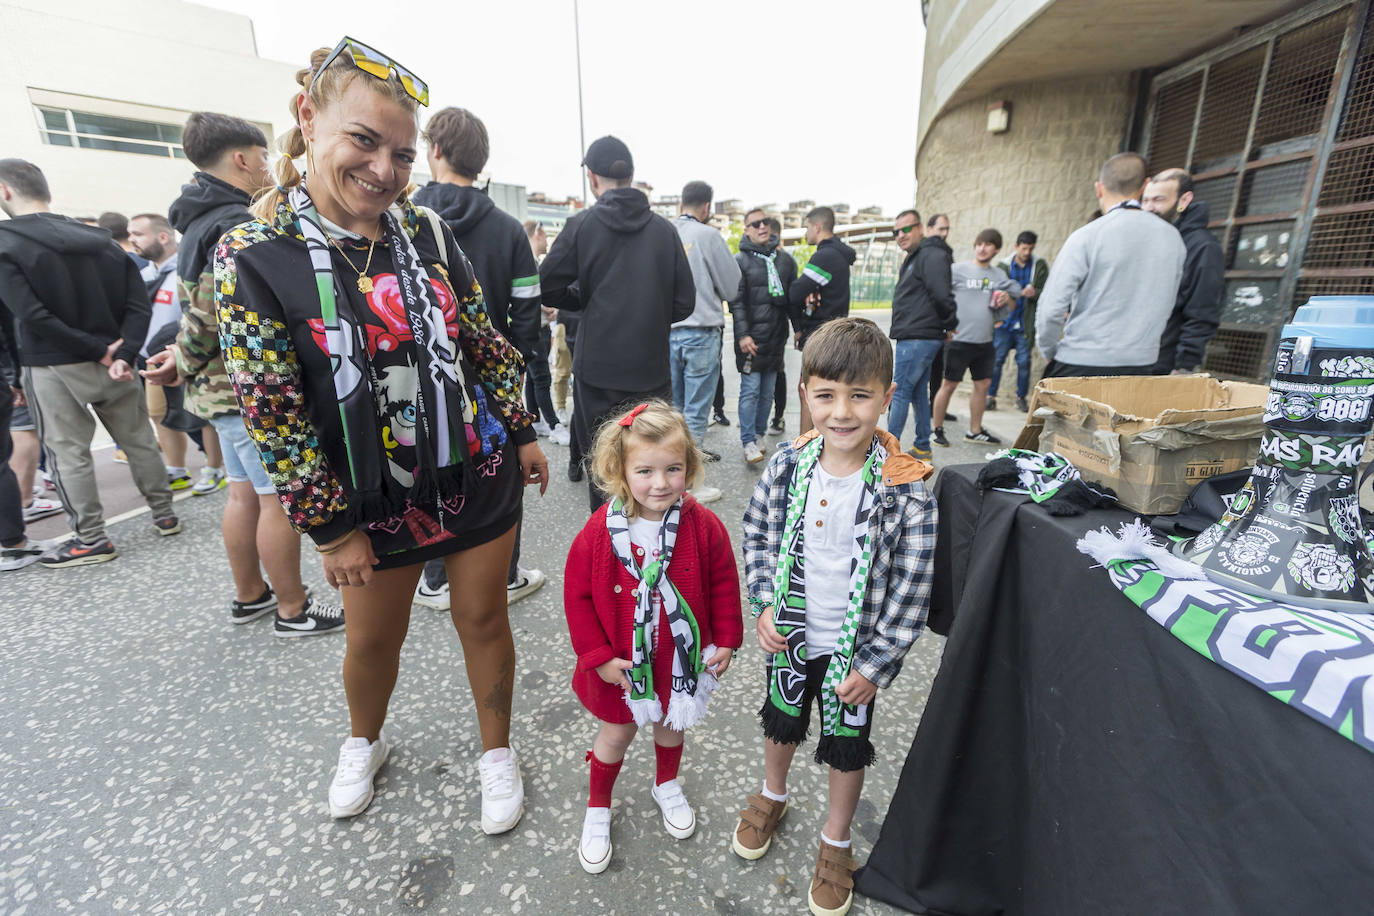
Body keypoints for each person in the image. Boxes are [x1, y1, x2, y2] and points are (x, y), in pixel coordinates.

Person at [214, 40, 548, 826]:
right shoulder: (255, 254)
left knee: (483, 618)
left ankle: (495, 752)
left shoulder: (426, 230)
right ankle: (365, 740)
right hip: (366, 498)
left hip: (474, 466)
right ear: (308, 120)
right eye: (363, 141)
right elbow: (273, 409)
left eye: (401, 153)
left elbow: (481, 339)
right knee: (371, 644)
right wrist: (330, 531)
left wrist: (523, 427)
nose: (384, 170)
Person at [736, 317, 935, 916]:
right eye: (825, 395)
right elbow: (759, 534)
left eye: (859, 395)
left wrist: (878, 663)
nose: (842, 412)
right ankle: (774, 794)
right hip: (794, 639)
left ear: (886, 398)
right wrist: (766, 601)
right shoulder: (789, 464)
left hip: (857, 655)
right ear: (805, 396)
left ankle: (837, 837)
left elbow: (912, 584)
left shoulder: (908, 486)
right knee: (781, 722)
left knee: (847, 744)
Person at [142, 110, 345, 635]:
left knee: (241, 495)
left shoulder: (195, 221)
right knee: (277, 499)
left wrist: (182, 362)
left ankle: (250, 594)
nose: (266, 167)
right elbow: (213, 313)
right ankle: (292, 609)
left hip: (214, 394)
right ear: (242, 159)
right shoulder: (236, 223)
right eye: (260, 158)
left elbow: (194, 315)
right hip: (243, 392)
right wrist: (183, 358)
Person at [564, 400, 743, 874]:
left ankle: (666, 783)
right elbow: (577, 597)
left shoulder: (702, 525)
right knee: (615, 736)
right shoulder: (600, 531)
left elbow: (724, 580)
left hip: (676, 664)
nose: (660, 483)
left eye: (673, 469)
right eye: (645, 470)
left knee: (671, 727)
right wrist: (599, 658)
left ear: (690, 468)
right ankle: (599, 806)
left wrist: (726, 637)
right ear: (619, 470)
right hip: (622, 668)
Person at [0, 159, 178, 568]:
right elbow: (138, 304)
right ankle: (164, 514)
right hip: (117, 361)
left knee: (68, 454)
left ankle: (92, 538)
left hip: (50, 365)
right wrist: (124, 352)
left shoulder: (7, 243)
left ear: (6, 191)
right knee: (139, 440)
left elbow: (30, 315)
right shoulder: (102, 241)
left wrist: (96, 350)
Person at [412, 107, 550, 609]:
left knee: (427, 469)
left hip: (417, 380)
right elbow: (528, 310)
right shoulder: (509, 229)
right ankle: (504, 575)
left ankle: (434, 576)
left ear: (435, 151)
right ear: (482, 159)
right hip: (491, 382)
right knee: (502, 474)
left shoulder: (399, 216)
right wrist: (513, 362)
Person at [540, 135, 695, 511]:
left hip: (597, 372)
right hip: (650, 371)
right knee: (654, 469)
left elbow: (547, 285)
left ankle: (610, 556)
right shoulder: (663, 230)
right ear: (631, 176)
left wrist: (585, 300)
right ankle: (654, 556)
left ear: (593, 178)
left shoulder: (582, 225)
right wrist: (648, 312)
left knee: (605, 470)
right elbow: (685, 302)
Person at [1036, 152, 1186, 377]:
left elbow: (1051, 309)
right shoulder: (1173, 239)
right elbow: (1168, 303)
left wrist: (1049, 350)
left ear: (1099, 188)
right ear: (1145, 185)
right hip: (1141, 365)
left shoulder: (1087, 235)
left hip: (1081, 359)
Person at [128, 212, 224, 495]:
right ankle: (176, 469)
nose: (132, 239)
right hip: (154, 358)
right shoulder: (143, 275)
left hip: (191, 354)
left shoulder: (187, 268)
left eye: (138, 233)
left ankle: (214, 467)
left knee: (204, 415)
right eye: (130, 233)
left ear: (162, 236)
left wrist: (188, 351)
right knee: (159, 413)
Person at [669, 180, 741, 473]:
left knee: (672, 410)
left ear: (680, 203)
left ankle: (671, 469)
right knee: (696, 411)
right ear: (707, 207)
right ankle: (686, 482)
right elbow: (731, 287)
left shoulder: (663, 231)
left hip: (665, 331)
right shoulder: (708, 235)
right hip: (701, 330)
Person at [930, 229, 1020, 447]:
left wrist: (1007, 297)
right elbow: (937, 294)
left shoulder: (998, 275)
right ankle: (936, 430)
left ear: (996, 249)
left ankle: (974, 431)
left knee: (983, 385)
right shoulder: (958, 270)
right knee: (949, 385)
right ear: (975, 246)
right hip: (959, 339)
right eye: (979, 244)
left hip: (985, 341)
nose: (982, 248)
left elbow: (1017, 292)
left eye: (988, 245)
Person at [885, 208, 956, 461]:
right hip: (918, 334)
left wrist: (949, 324)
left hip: (918, 336)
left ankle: (887, 452)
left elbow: (942, 293)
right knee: (916, 393)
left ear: (920, 229)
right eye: (896, 232)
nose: (900, 235)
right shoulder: (918, 256)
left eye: (906, 229)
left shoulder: (930, 255)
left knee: (900, 390)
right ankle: (923, 446)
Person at [1141, 168, 1224, 375]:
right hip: (1131, 358)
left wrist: (1184, 366)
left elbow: (1201, 311)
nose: (1150, 208)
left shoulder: (1203, 247)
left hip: (1164, 366)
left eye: (1159, 200)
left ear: (1184, 200)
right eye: (1145, 200)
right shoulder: (1149, 238)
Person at [731, 208, 795, 464]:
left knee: (767, 392)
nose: (762, 227)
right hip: (752, 341)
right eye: (755, 223)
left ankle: (758, 434)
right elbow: (736, 302)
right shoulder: (740, 260)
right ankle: (747, 440)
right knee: (751, 391)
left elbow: (792, 299)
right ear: (746, 230)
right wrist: (743, 334)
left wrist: (798, 327)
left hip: (776, 339)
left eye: (765, 222)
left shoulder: (784, 260)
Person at [788, 206, 856, 434]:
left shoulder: (825, 256)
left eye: (806, 226)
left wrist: (798, 326)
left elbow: (795, 293)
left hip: (821, 335)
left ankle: (805, 444)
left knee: (807, 390)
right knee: (823, 390)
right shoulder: (838, 255)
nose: (805, 232)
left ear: (817, 227)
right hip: (833, 333)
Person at [991, 230, 1050, 413]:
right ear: (1016, 246)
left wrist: (1035, 293)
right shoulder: (1004, 266)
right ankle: (990, 397)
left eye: (1030, 249)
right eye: (1024, 248)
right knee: (996, 360)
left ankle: (1020, 398)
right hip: (1005, 323)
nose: (1026, 252)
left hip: (1025, 324)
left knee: (1024, 362)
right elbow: (994, 291)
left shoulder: (1039, 266)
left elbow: (1047, 293)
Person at [920, 212, 959, 424]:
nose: (943, 234)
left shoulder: (944, 253)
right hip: (928, 324)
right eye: (940, 229)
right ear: (929, 229)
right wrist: (951, 322)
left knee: (937, 371)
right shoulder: (932, 254)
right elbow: (940, 293)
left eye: (946, 229)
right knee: (917, 378)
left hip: (938, 325)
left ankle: (935, 408)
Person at [767, 217, 793, 434]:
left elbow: (792, 297)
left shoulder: (784, 261)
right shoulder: (756, 257)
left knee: (775, 372)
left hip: (775, 328)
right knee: (768, 373)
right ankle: (772, 417)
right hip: (775, 327)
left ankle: (777, 416)